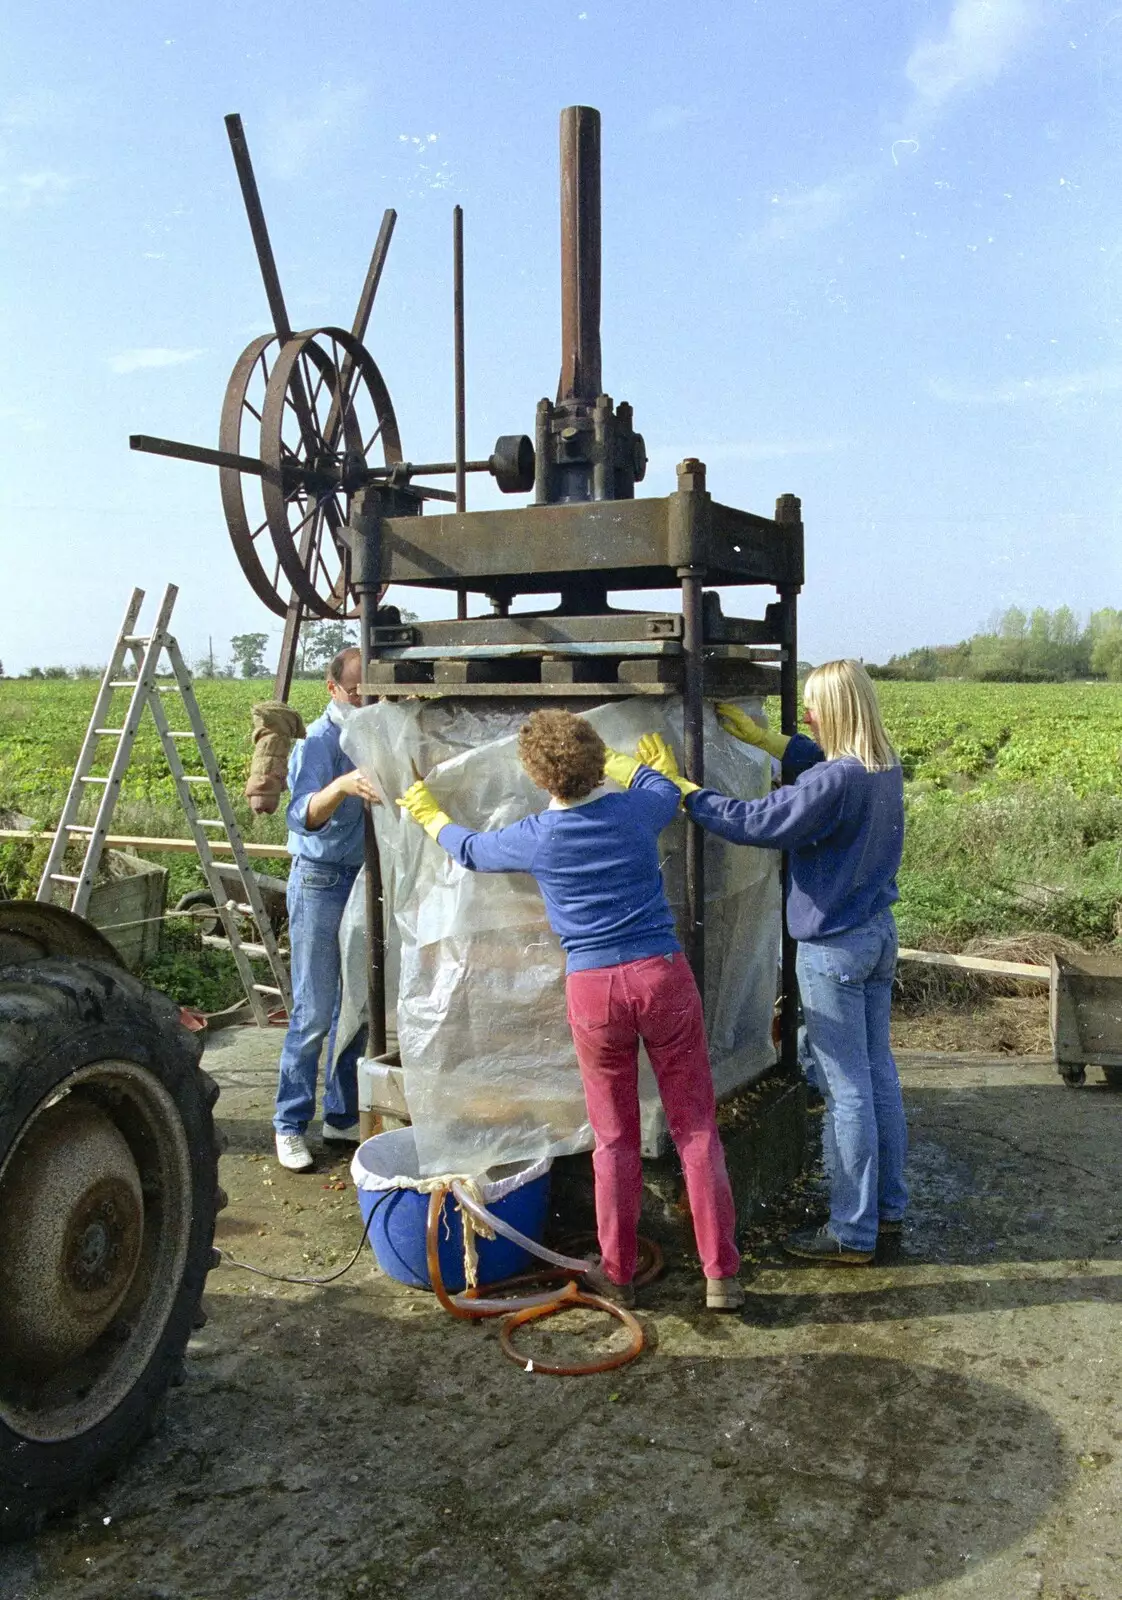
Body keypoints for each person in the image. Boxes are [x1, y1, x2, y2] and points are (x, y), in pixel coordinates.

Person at [396, 709, 745, 1312]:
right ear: (596, 759)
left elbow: (472, 850)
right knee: (695, 1128)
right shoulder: (638, 810)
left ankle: (620, 1273)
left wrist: (429, 813)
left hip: (595, 991)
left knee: (613, 1139)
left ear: (537, 778)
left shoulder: (536, 835)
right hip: (662, 976)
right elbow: (662, 788)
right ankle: (721, 1276)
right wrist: (637, 767)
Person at [644, 661, 907, 1264]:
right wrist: (772, 743)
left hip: (833, 948)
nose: (806, 716)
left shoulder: (834, 782)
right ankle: (885, 1209)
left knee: (847, 1092)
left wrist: (683, 793)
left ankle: (851, 1233)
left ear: (838, 711)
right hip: (875, 936)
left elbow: (757, 821)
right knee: (877, 1077)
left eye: (814, 707)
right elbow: (817, 768)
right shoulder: (882, 767)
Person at [273, 647, 381, 1172]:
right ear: (332, 688)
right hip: (320, 881)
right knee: (314, 1009)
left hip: (364, 877)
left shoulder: (379, 733)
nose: (364, 697)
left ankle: (340, 1115)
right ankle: (290, 1124)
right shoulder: (320, 741)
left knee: (356, 1005)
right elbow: (300, 816)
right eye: (356, 689)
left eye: (373, 689)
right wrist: (339, 785)